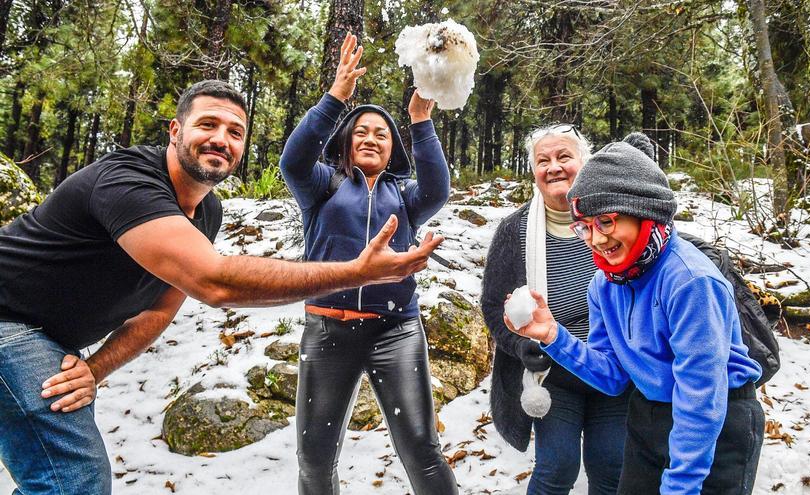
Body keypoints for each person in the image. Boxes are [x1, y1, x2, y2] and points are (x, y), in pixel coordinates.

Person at [0, 79, 443, 495]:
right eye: (207, 124)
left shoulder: (207, 213)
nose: (221, 139)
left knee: (56, 476)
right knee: (75, 478)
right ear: (175, 130)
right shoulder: (128, 180)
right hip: (9, 321)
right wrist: (357, 271)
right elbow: (214, 281)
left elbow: (158, 310)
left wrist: (95, 369)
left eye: (235, 131)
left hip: (394, 326)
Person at [507, 132, 764, 495]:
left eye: (607, 222)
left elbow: (701, 398)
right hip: (650, 412)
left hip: (718, 423)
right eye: (585, 227)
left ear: (644, 212)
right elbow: (612, 375)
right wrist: (552, 335)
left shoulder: (690, 282)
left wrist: (682, 485)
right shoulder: (605, 284)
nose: (595, 239)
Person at [279, 33, 457, 495]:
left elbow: (437, 189)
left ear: (392, 147)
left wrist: (420, 121)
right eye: (361, 131)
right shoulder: (324, 185)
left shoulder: (406, 195)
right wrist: (336, 97)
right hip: (326, 331)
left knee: (421, 449)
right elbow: (294, 160)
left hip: (394, 330)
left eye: (381, 133)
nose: (371, 138)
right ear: (346, 143)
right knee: (315, 459)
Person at [481, 125, 630, 495]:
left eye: (564, 157)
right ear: (533, 171)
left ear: (585, 162)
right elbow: (490, 304)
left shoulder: (612, 221)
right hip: (553, 374)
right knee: (557, 468)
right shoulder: (514, 231)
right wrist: (520, 347)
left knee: (612, 466)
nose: (554, 167)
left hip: (614, 368)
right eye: (542, 160)